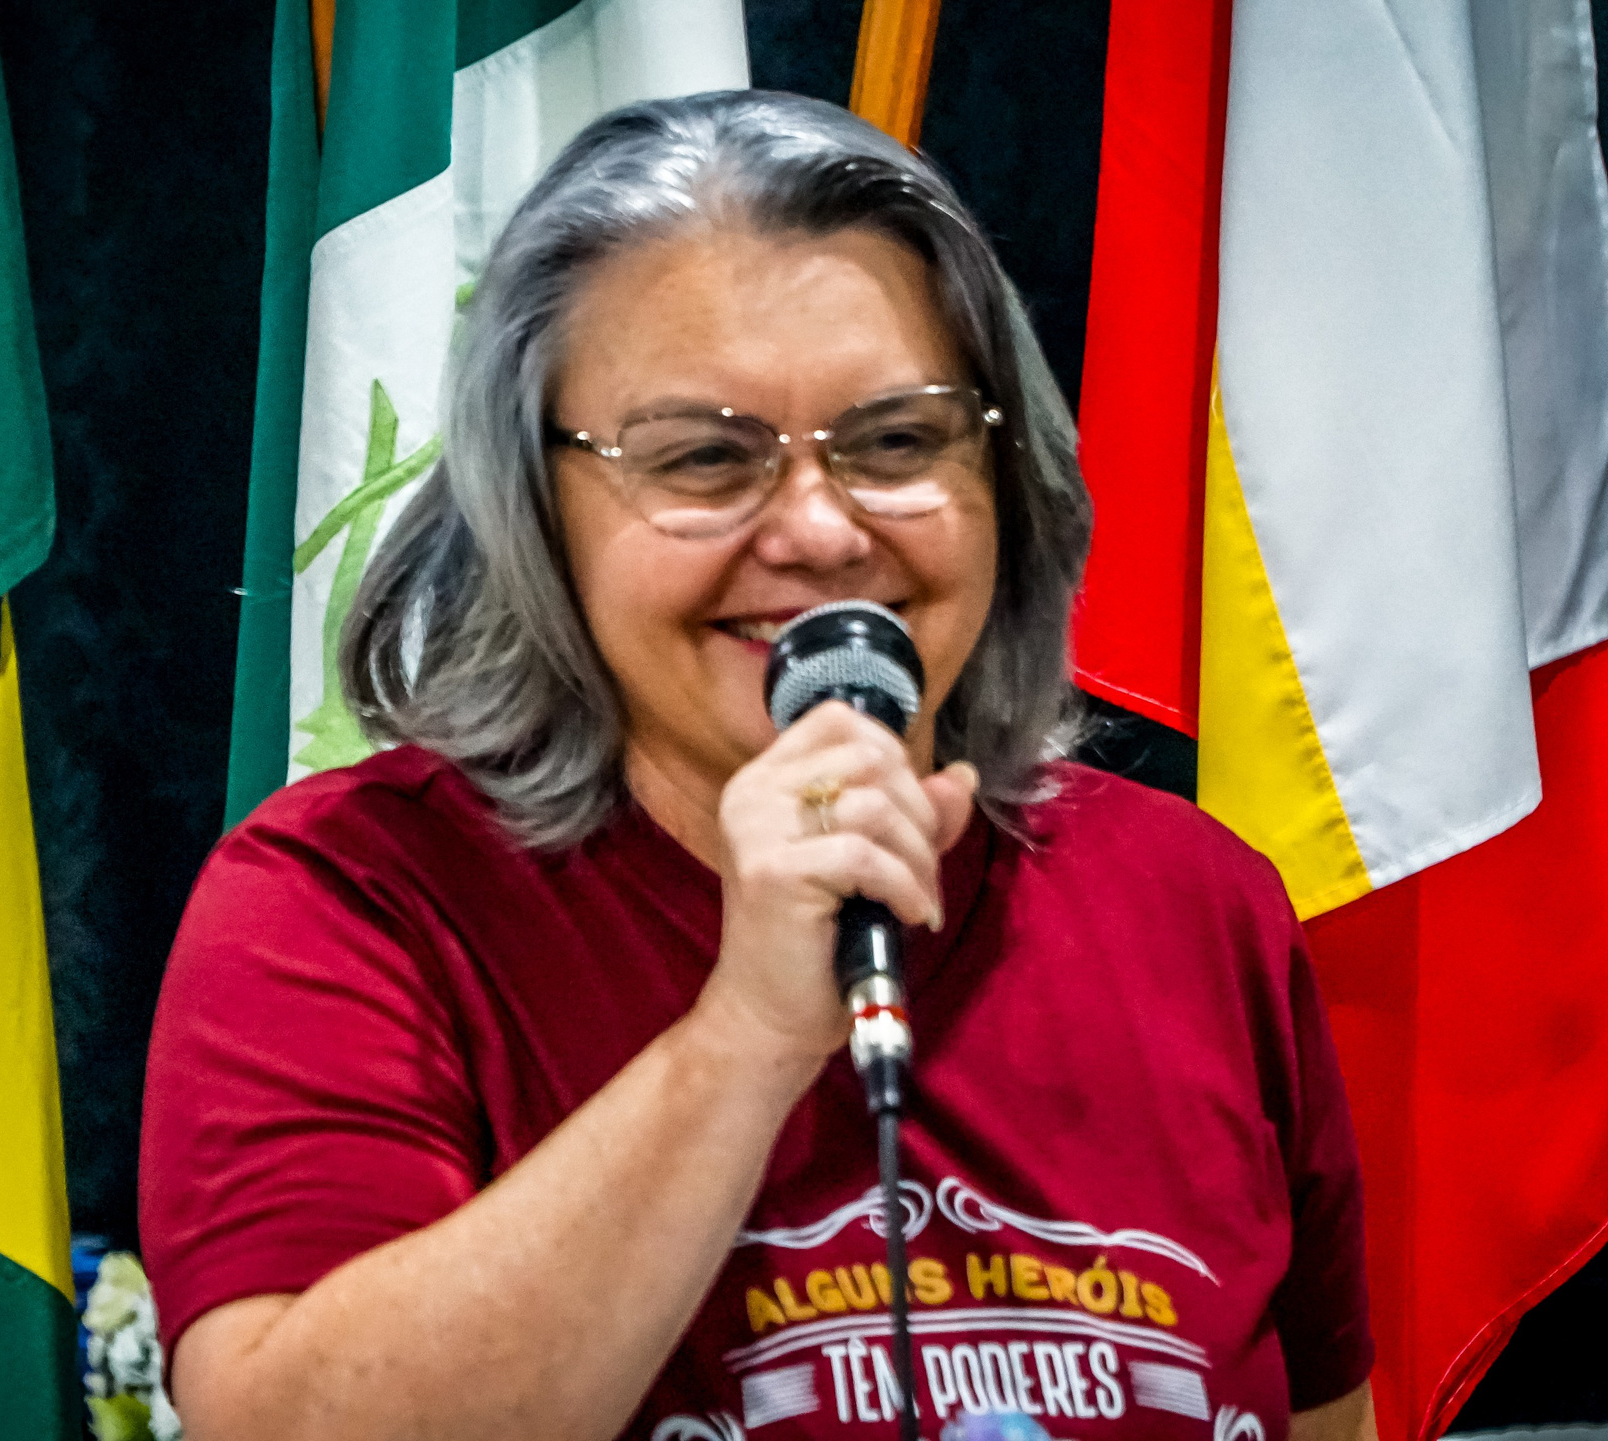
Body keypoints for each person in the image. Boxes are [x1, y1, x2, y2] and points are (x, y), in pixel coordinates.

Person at [141, 90, 1376, 1441]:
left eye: (898, 441)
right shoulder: (348, 898)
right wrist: (746, 1036)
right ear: (533, 511)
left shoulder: (1194, 899)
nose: (818, 530)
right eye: (705, 459)